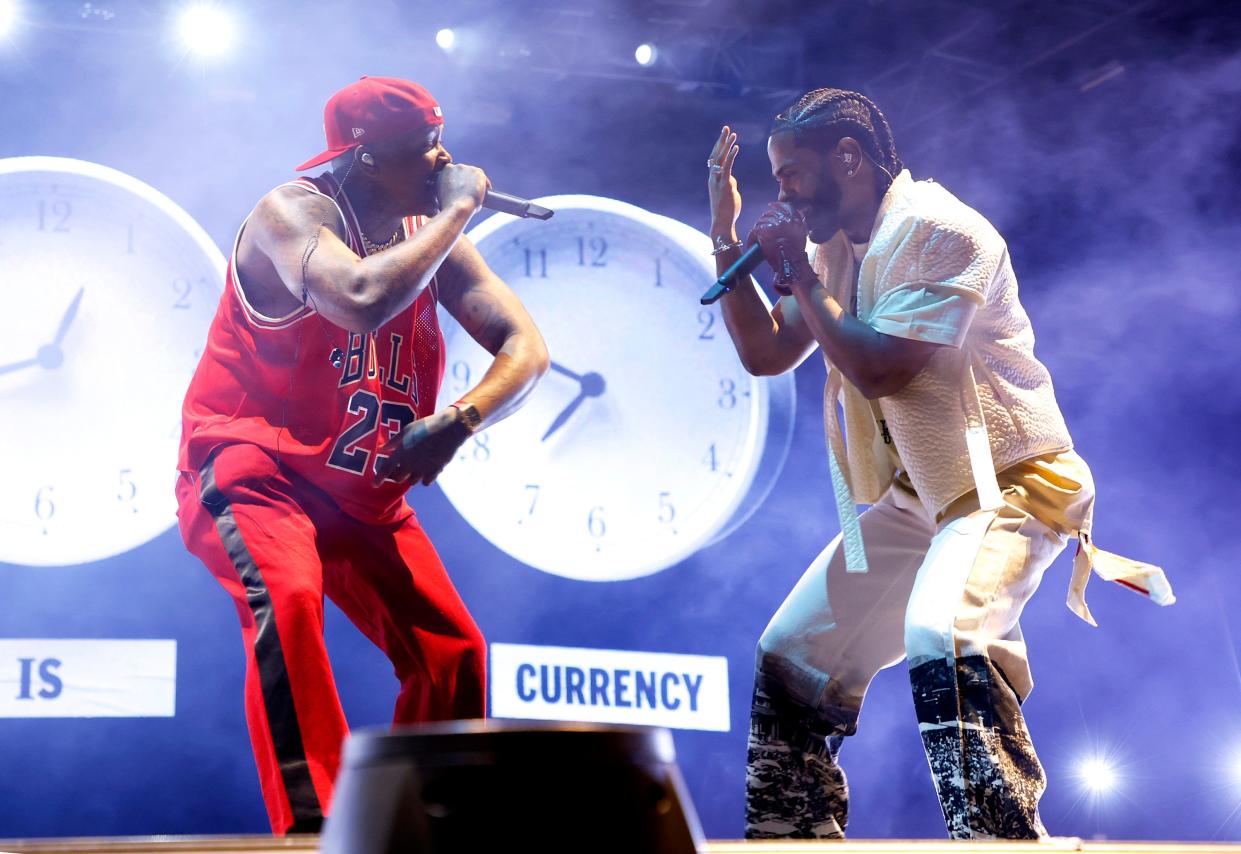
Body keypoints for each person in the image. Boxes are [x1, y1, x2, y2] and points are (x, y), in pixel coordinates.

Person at [705, 87, 1171, 839]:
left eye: (791, 173)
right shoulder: (830, 248)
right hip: (921, 496)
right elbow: (764, 353)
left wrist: (804, 278)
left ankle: (999, 839)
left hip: (1011, 484)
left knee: (943, 634)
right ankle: (790, 840)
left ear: (847, 159)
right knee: (792, 655)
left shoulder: (944, 231)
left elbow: (883, 370)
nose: (782, 191)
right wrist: (727, 237)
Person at [175, 76, 549, 834]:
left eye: (440, 141)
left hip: (360, 492)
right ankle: (317, 832)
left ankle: (416, 829)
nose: (443, 160)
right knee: (288, 601)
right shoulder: (289, 215)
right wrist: (455, 212)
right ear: (362, 157)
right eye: (422, 149)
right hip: (257, 470)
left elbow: (527, 348)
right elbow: (358, 297)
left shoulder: (428, 232)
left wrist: (461, 418)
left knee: (454, 654)